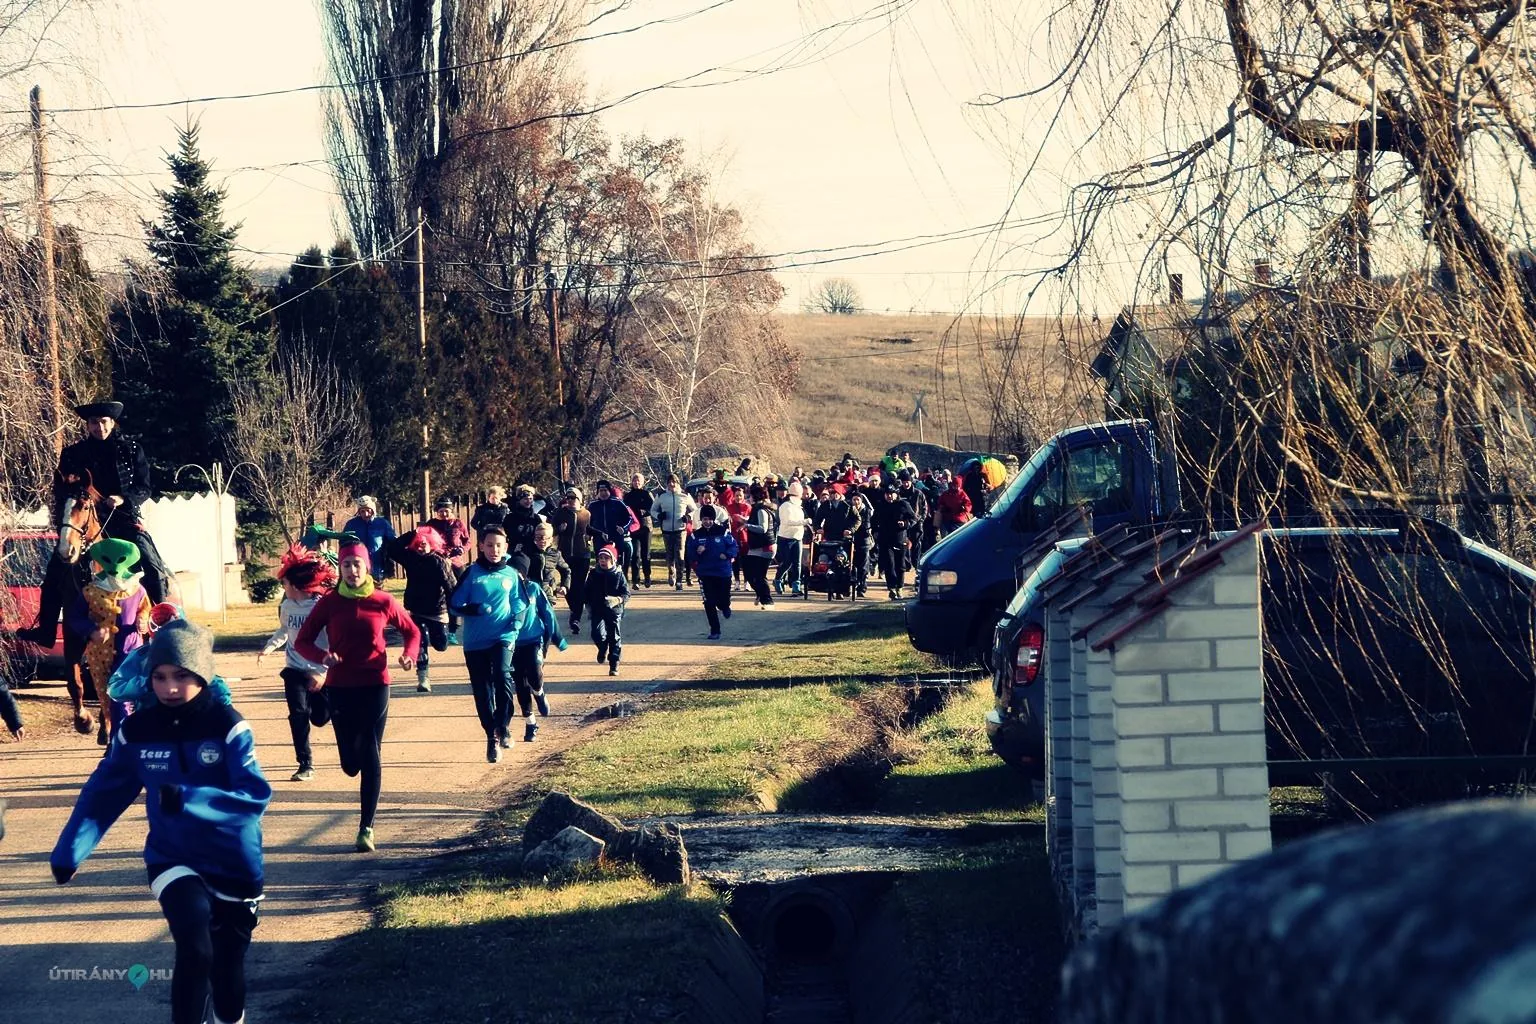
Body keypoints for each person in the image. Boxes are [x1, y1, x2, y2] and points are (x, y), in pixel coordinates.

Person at [50, 620, 270, 1024]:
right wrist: (69, 852)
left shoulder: (228, 725)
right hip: (173, 857)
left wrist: (190, 799)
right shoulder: (136, 731)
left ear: (202, 675)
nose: (169, 687)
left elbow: (253, 796)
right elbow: (104, 793)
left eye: (182, 676)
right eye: (160, 676)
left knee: (226, 971)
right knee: (194, 947)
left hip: (234, 861)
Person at [293, 539, 420, 852]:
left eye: (357, 565)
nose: (352, 571)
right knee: (350, 763)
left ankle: (367, 828)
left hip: (376, 683)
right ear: (341, 568)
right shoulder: (330, 603)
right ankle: (326, 717)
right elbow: (303, 641)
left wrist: (409, 655)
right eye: (347, 565)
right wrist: (322, 657)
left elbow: (412, 631)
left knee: (370, 749)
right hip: (340, 686)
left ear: (367, 567)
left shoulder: (383, 601)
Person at [23, 400, 173, 648]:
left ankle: (162, 623)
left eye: (104, 422)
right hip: (84, 521)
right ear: (88, 425)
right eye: (94, 422)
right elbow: (63, 488)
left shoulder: (131, 448)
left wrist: (124, 498)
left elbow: (145, 487)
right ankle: (45, 630)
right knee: (53, 575)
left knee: (151, 564)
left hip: (122, 518)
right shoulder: (72, 453)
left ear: (112, 423)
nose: (99, 427)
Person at [449, 526, 533, 762]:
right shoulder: (471, 573)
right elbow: (454, 603)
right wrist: (472, 609)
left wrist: (516, 625)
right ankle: (491, 736)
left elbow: (520, 604)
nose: (494, 550)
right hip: (475, 642)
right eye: (489, 545)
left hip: (503, 636)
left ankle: (504, 727)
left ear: (505, 547)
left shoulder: (512, 575)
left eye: (499, 545)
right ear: (481, 546)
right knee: (483, 690)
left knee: (503, 676)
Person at [258, 546, 335, 782]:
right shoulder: (287, 606)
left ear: (297, 586)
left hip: (320, 671)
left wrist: (323, 672)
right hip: (294, 669)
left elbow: (334, 640)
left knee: (320, 718)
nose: (283, 589)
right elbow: (284, 630)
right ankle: (305, 763)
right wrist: (269, 647)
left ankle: (324, 709)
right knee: (298, 714)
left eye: (285, 585)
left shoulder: (322, 606)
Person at [385, 526, 458, 692]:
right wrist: (413, 533)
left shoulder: (439, 562)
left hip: (438, 610)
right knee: (421, 640)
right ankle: (423, 677)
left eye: (424, 543)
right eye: (418, 543)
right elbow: (392, 549)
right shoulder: (410, 558)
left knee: (441, 645)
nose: (421, 546)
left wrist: (455, 619)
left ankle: (442, 638)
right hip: (417, 609)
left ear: (432, 544)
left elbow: (451, 588)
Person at [511, 573, 568, 742]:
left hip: (534, 640)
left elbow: (548, 614)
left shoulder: (533, 588)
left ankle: (539, 692)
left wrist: (558, 638)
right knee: (520, 685)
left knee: (535, 676)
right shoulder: (504, 591)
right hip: (511, 643)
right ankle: (531, 723)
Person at [423, 495, 471, 642]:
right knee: (437, 595)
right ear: (437, 511)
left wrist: (462, 549)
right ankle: (436, 626)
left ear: (452, 511)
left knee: (457, 594)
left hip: (456, 563)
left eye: (447, 511)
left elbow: (467, 541)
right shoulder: (431, 524)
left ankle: (453, 629)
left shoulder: (458, 523)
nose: (444, 514)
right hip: (438, 563)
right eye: (441, 511)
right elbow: (423, 540)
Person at [691, 505, 738, 640]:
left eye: (710, 519)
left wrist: (727, 554)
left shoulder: (722, 532)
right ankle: (715, 630)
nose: (707, 522)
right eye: (705, 519)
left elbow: (734, 546)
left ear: (714, 519)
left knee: (722, 599)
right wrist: (697, 552)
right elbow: (690, 554)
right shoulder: (696, 535)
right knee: (709, 602)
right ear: (701, 520)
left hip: (723, 572)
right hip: (705, 573)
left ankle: (725, 606)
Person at [549, 487, 592, 634]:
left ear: (579, 500)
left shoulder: (586, 514)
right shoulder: (560, 513)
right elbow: (551, 531)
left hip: (582, 554)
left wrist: (592, 538)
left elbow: (591, 530)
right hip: (565, 554)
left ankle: (576, 618)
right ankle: (574, 610)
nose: (570, 501)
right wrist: (559, 529)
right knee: (568, 586)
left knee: (579, 586)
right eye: (568, 498)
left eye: (573, 498)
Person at [583, 545, 629, 676]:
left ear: (613, 560)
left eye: (606, 558)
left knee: (614, 637)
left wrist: (618, 600)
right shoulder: (593, 574)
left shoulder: (618, 575)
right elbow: (586, 591)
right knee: (596, 634)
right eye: (600, 558)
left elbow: (626, 593)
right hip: (597, 609)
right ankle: (602, 648)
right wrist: (586, 603)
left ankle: (614, 664)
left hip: (614, 611)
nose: (603, 560)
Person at [872, 485, 917, 599]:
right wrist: (875, 531)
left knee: (900, 565)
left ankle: (899, 588)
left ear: (896, 494)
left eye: (891, 493)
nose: (889, 496)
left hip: (900, 539)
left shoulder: (903, 505)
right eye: (887, 494)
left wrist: (906, 524)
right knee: (889, 564)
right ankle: (891, 588)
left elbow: (914, 518)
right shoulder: (881, 505)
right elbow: (873, 520)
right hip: (885, 539)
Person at [653, 473, 697, 590]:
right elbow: (653, 510)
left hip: (680, 529)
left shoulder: (685, 495)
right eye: (669, 482)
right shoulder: (661, 495)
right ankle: (671, 572)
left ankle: (679, 580)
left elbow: (694, 510)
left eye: (674, 482)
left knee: (680, 554)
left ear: (678, 483)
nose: (671, 485)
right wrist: (659, 515)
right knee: (670, 554)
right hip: (666, 529)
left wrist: (688, 517)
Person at [341, 496, 397, 585]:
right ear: (359, 512)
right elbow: (343, 543)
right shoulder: (351, 524)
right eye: (362, 511)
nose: (366, 514)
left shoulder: (382, 523)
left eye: (368, 510)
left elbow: (393, 540)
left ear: (373, 510)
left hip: (377, 565)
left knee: (377, 591)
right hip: (358, 565)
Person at [586, 481, 635, 572]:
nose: (603, 493)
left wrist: (623, 528)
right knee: (601, 565)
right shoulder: (593, 505)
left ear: (609, 491)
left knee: (617, 566)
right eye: (601, 491)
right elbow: (588, 524)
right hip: (599, 540)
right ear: (597, 492)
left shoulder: (617, 503)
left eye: (605, 490)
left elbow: (630, 518)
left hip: (616, 539)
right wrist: (590, 535)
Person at [743, 484, 778, 608]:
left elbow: (762, 529)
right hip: (756, 547)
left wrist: (747, 525)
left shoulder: (761, 510)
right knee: (748, 572)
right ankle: (760, 593)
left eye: (750, 495)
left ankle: (768, 601)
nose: (748, 498)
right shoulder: (757, 509)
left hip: (765, 547)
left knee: (759, 575)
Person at [775, 480, 808, 596]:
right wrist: (804, 522)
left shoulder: (799, 506)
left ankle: (796, 586)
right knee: (787, 562)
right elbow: (787, 521)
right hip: (785, 537)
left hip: (797, 537)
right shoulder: (785, 506)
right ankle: (778, 579)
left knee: (797, 563)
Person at [623, 473, 656, 588]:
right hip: (634, 528)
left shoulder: (647, 494)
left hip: (646, 526)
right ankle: (635, 580)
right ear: (631, 482)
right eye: (635, 480)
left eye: (639, 481)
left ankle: (647, 577)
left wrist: (645, 511)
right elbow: (625, 510)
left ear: (643, 482)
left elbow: (654, 508)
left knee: (645, 554)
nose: (636, 483)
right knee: (635, 554)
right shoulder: (628, 496)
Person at [524, 522, 571, 601]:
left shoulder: (555, 554)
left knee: (548, 612)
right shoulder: (527, 553)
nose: (542, 541)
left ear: (551, 540)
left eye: (546, 538)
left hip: (549, 592)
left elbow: (566, 571)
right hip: (530, 591)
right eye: (538, 538)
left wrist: (564, 586)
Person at [503, 484, 546, 567]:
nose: (528, 501)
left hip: (533, 554)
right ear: (519, 500)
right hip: (515, 555)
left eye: (530, 499)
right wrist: (512, 548)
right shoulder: (510, 518)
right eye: (525, 499)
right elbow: (503, 535)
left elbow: (542, 534)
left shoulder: (536, 518)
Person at [722, 485, 752, 592]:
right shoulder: (729, 507)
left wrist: (744, 521)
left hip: (745, 537)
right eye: (736, 495)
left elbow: (750, 521)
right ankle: (737, 582)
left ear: (743, 496)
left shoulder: (747, 507)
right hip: (733, 536)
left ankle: (747, 582)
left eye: (740, 495)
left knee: (746, 561)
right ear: (733, 496)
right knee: (734, 560)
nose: (738, 497)